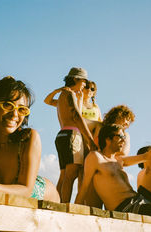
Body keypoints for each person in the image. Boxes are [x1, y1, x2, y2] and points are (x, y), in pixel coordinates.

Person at [48, 67, 97, 203]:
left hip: (62, 134)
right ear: (75, 79)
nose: (84, 85)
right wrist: (90, 140)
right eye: (83, 82)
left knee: (64, 175)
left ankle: (56, 203)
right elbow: (77, 116)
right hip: (71, 135)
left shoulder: (63, 95)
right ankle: (63, 206)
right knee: (71, 174)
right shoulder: (70, 94)